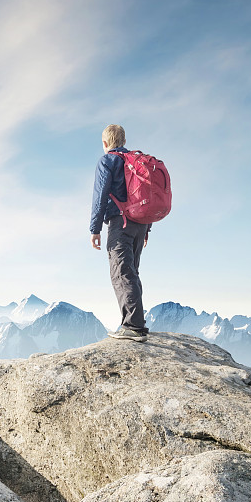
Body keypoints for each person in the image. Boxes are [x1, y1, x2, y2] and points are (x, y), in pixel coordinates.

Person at [90, 124, 150, 342]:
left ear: (105, 143)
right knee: (131, 271)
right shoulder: (136, 162)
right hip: (140, 223)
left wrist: (94, 228)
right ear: (123, 141)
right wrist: (146, 229)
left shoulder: (107, 161)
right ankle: (135, 324)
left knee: (121, 272)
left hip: (120, 223)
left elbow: (100, 196)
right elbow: (145, 196)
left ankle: (133, 327)